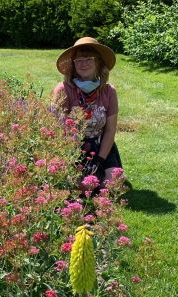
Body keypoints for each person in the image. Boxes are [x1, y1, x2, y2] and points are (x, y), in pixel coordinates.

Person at [51, 37, 124, 192]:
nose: (83, 63)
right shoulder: (63, 90)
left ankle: (105, 172)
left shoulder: (109, 91)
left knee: (111, 186)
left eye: (88, 59)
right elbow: (58, 130)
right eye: (78, 60)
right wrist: (73, 158)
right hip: (73, 147)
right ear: (73, 65)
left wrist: (99, 160)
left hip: (102, 145)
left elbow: (110, 130)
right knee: (82, 187)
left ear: (98, 62)